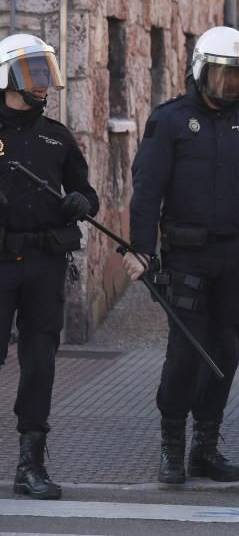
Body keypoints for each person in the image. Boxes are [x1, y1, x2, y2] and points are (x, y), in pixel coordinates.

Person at [124, 26, 239, 486]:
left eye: (238, 77)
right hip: (186, 257)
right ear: (202, 71)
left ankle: (205, 445)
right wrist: (141, 249)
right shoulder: (170, 121)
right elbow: (147, 193)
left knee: (225, 350)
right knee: (185, 352)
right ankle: (172, 448)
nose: (231, 86)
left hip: (238, 257)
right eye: (223, 76)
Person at [0, 33, 99, 500]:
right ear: (9, 75)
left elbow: (87, 194)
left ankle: (30, 464)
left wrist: (82, 201)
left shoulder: (56, 137)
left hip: (44, 265)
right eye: (33, 71)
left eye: (46, 72)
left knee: (40, 364)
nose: (42, 82)